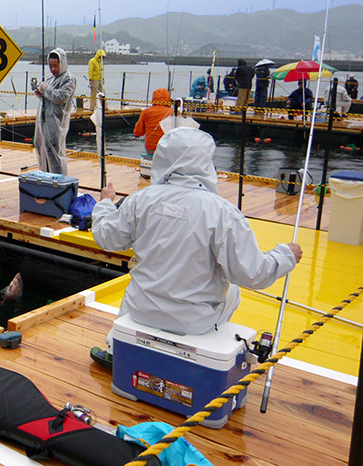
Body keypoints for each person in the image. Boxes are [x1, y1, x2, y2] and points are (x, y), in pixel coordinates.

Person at [89, 128, 301, 359]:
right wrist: (285, 256)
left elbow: (107, 237)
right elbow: (253, 273)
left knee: (138, 289)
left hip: (141, 310)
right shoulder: (222, 212)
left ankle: (115, 348)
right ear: (206, 162)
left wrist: (105, 204)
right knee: (234, 292)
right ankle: (195, 354)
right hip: (192, 322)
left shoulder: (140, 200)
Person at [34, 48, 77, 174]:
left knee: (54, 152)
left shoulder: (69, 79)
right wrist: (40, 93)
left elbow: (61, 97)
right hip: (43, 120)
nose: (53, 69)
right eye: (50, 66)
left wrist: (45, 89)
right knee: (41, 148)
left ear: (62, 63)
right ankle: (45, 177)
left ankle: (59, 181)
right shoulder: (50, 79)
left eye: (55, 66)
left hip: (56, 122)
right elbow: (48, 96)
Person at [133, 88, 173, 155]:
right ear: (168, 98)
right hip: (166, 149)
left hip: (150, 148)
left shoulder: (146, 112)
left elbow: (138, 132)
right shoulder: (172, 113)